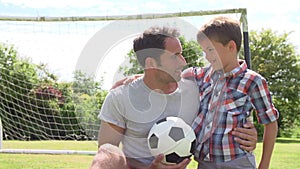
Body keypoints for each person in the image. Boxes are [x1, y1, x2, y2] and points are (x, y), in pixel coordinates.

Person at [97, 26, 257, 169]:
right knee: (105, 154)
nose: (183, 62)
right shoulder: (120, 97)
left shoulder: (196, 88)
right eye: (176, 56)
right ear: (151, 62)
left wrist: (246, 131)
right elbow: (108, 152)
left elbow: (232, 83)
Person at [182, 16, 279, 169]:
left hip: (237, 162)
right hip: (203, 163)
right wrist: (141, 75)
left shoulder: (252, 81)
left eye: (210, 50)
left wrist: (264, 165)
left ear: (231, 47)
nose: (207, 56)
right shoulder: (200, 76)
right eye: (204, 51)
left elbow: (270, 123)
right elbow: (169, 75)